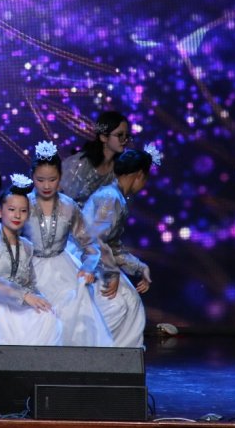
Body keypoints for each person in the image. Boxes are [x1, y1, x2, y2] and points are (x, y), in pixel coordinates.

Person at [24, 141, 112, 347]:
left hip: (62, 269)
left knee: (74, 307)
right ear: (32, 177)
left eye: (52, 179)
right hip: (29, 268)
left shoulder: (68, 206)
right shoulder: (23, 204)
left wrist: (88, 267)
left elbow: (90, 245)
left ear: (60, 177)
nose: (46, 186)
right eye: (40, 180)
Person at [82, 146, 159, 348]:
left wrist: (140, 267)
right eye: (146, 178)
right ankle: (90, 350)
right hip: (87, 261)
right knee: (118, 305)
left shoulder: (116, 197)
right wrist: (112, 273)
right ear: (139, 175)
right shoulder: (110, 197)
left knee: (131, 302)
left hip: (100, 259)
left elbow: (112, 245)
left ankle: (119, 356)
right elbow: (96, 239)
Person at [0, 178, 62, 346]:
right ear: (0, 212)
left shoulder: (26, 246)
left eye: (23, 211)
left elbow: (29, 283)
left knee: (47, 315)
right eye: (12, 209)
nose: (17, 215)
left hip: (17, 304)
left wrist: (40, 299)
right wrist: (24, 295)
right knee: (0, 326)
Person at [61, 111, 131, 206]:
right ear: (103, 137)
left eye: (127, 135)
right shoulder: (81, 163)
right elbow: (61, 197)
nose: (125, 140)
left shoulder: (117, 170)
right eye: (120, 135)